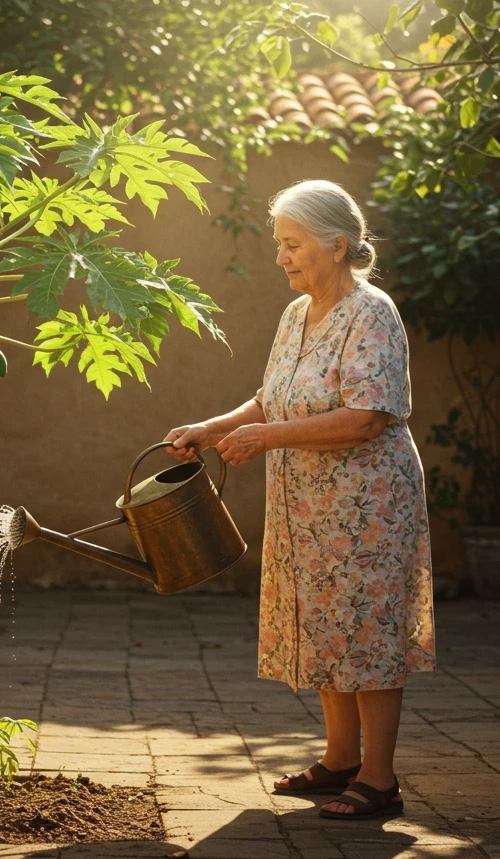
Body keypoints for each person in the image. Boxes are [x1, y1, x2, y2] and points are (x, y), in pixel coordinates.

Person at [164, 180, 435, 820]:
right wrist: (213, 429)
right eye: (279, 245)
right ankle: (340, 759)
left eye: (292, 245)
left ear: (336, 245)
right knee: (322, 622)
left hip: (367, 502)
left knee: (366, 628)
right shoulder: (295, 315)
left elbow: (369, 416)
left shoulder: (373, 313)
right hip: (308, 504)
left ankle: (379, 777)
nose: (281, 258)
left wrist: (266, 438)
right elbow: (271, 399)